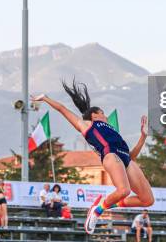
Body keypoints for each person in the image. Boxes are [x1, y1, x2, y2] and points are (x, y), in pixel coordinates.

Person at [33, 80, 153, 234]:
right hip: (110, 155)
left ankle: (108, 204)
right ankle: (97, 210)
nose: (106, 115)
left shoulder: (113, 130)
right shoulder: (87, 125)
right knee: (124, 190)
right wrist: (45, 98)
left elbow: (131, 156)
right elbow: (62, 109)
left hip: (126, 159)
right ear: (95, 115)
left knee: (147, 200)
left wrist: (143, 137)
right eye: (102, 112)